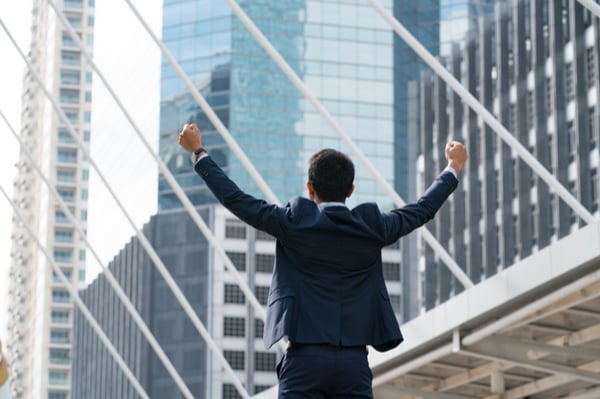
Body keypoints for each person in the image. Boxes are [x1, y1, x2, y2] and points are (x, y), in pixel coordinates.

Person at [179, 123, 467, 399]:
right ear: (351, 190)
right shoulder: (372, 227)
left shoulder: (293, 222)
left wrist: (199, 153)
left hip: (305, 361)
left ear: (309, 187)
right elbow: (421, 210)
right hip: (353, 364)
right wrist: (453, 166)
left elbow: (237, 200)